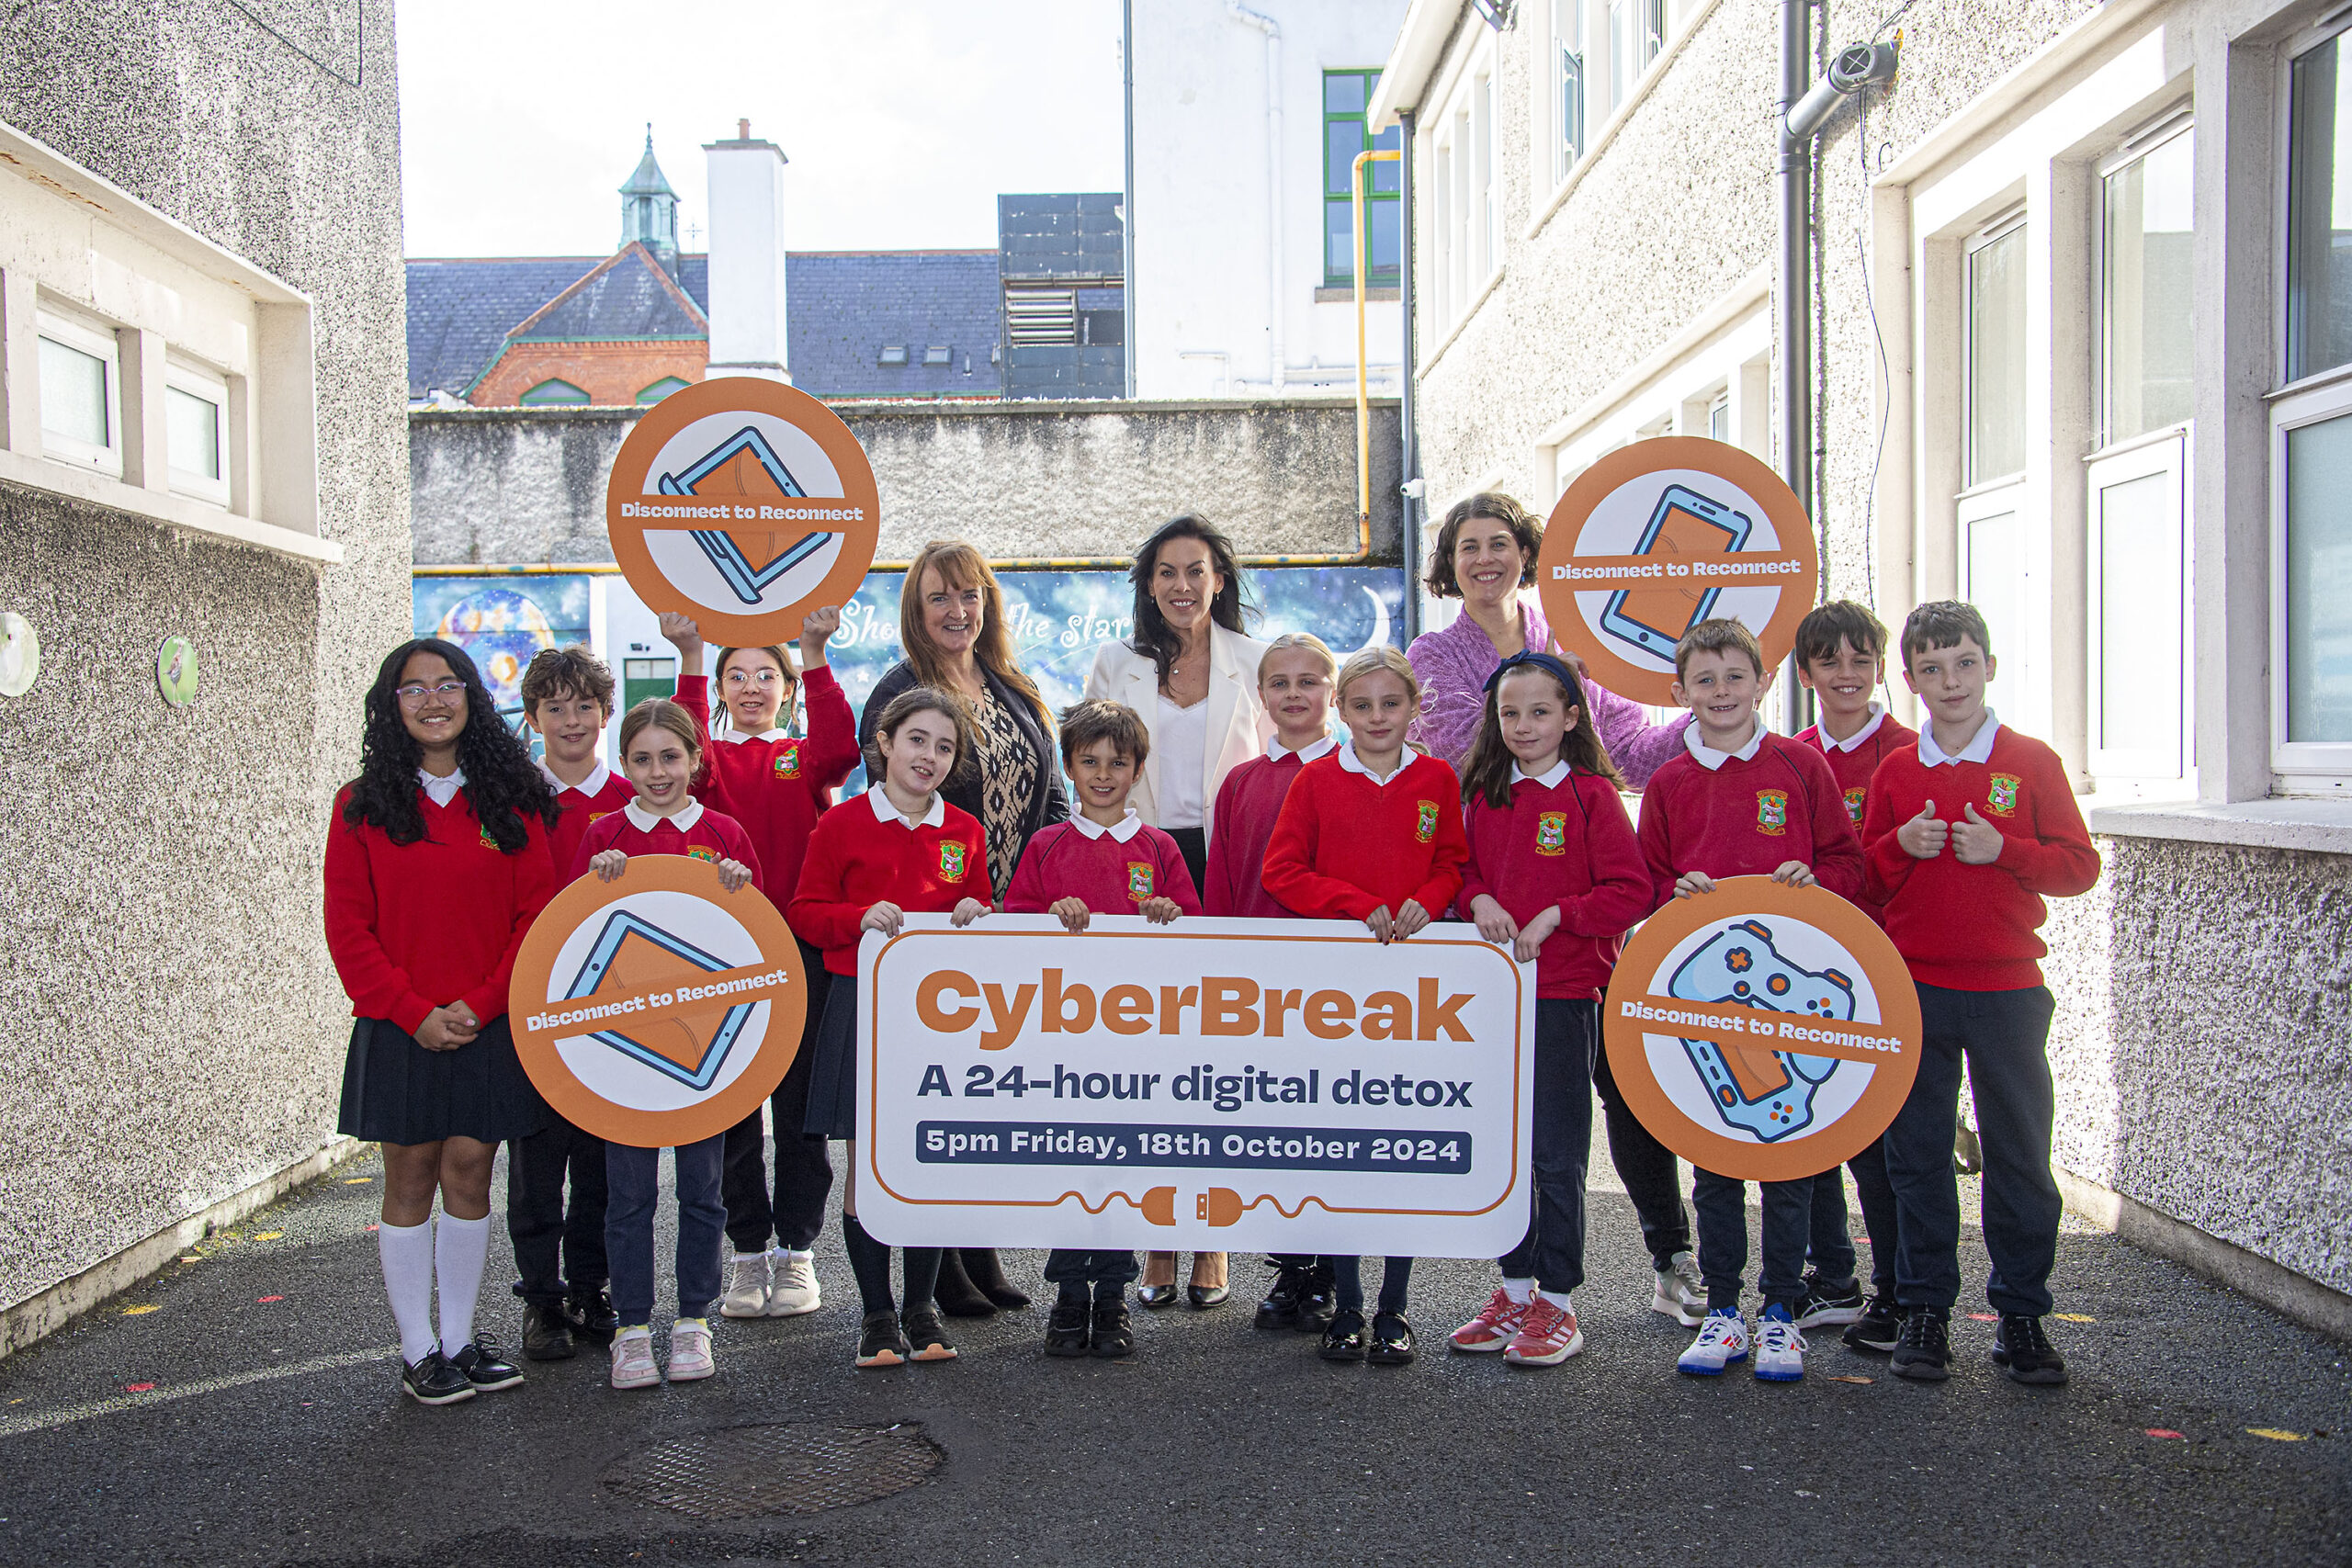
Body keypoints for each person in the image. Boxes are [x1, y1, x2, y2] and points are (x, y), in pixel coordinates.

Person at [1405, 491, 1706, 1328]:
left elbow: (1631, 753)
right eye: (1468, 547)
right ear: (1450, 563)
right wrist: (1486, 894)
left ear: (1524, 553)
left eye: (1500, 543)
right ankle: (1519, 1287)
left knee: (1619, 1100)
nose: (1485, 560)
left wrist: (1711, 706)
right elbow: (1474, 766)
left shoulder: (1572, 650)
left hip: (1579, 944)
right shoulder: (1436, 655)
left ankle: (1663, 1257)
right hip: (1498, 945)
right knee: (1516, 1129)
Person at [1860, 601, 2100, 1387]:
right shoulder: (1898, 771)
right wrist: (1903, 843)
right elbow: (1865, 875)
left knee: (2020, 1155)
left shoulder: (2030, 760)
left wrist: (2009, 850)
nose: (1949, 680)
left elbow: (2077, 866)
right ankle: (1926, 1308)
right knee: (1917, 1156)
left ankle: (2023, 1313)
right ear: (1911, 680)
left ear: (1989, 666)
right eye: (1931, 668)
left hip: (2007, 991)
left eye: (1963, 661)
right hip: (1915, 989)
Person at [324, 638, 557, 1406]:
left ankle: (459, 1338)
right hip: (402, 1026)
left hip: (487, 1021)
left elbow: (538, 918)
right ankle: (418, 1349)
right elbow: (349, 928)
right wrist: (413, 1012)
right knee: (410, 1174)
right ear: (392, 707)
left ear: (470, 697)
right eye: (413, 688)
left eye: (447, 684)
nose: (432, 699)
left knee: (468, 1170)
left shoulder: (513, 799)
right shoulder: (360, 805)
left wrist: (485, 1004)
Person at [1636, 618, 1863, 1383]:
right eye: (1705, 680)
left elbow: (1850, 867)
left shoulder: (1800, 767)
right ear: (1681, 692)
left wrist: (1815, 879)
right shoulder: (1667, 783)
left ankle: (1781, 1312)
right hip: (1707, 1010)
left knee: (1789, 1158)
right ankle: (1726, 1309)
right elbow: (1645, 884)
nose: (1722, 692)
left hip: (1789, 1000)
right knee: (1717, 1156)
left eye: (1736, 676)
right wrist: (1675, 893)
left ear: (1764, 682)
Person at [858, 541, 1063, 1318]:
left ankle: (978, 1250)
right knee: (937, 1092)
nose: (958, 611)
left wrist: (1047, 889)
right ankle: (938, 1264)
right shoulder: (898, 691)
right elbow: (890, 814)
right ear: (917, 609)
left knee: (991, 1091)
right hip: (935, 927)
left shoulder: (1014, 687)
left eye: (970, 595)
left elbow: (1050, 801)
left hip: (1010, 917)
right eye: (940, 597)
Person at [1262, 647, 1468, 1367]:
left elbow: (1453, 862)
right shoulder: (1316, 781)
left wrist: (1428, 902)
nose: (1377, 717)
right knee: (1344, 1150)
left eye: (1391, 703)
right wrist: (1358, 908)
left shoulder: (1439, 779)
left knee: (1399, 1151)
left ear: (1415, 708)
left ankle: (1395, 1308)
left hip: (1414, 991)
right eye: (1362, 705)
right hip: (1338, 988)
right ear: (1340, 711)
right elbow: (1281, 870)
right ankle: (1347, 1305)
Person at [1446, 652, 1650, 1368]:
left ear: (1570, 717)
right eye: (1510, 713)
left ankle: (1558, 1301)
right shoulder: (1482, 791)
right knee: (1504, 1153)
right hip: (1490, 1001)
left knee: (1556, 1157)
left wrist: (1560, 914)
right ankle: (1514, 1288)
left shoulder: (1593, 796)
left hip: (1563, 998)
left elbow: (1630, 891)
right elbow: (1460, 870)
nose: (1524, 726)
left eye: (1540, 712)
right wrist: (1480, 899)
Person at [1084, 515, 1268, 1309]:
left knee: (1218, 1057)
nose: (1182, 586)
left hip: (1231, 866)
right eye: (1166, 572)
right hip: (1143, 865)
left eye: (1196, 570)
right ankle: (1156, 1234)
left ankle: (1212, 1231)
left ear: (1219, 578)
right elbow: (1091, 773)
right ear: (1148, 585)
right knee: (1146, 1055)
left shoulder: (1258, 662)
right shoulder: (1115, 663)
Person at [662, 608, 857, 1325]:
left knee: (802, 1108)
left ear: (787, 689)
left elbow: (841, 750)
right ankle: (747, 1250)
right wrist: (688, 655)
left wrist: (815, 651)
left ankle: (797, 1251)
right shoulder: (704, 760)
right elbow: (680, 740)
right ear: (717, 689)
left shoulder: (801, 756)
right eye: (735, 675)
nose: (751, 688)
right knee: (734, 1104)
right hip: (721, 955)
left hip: (799, 949)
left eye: (766, 676)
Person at [792, 687, 993, 1369]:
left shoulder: (964, 830)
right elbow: (805, 913)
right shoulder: (841, 823)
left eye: (943, 746)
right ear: (884, 742)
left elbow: (985, 905)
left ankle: (923, 1307)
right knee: (869, 1166)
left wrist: (977, 909)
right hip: (862, 1006)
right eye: (917, 740)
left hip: (939, 1019)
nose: (928, 756)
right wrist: (856, 918)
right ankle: (877, 1314)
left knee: (928, 1159)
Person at [1002, 699, 1204, 1359]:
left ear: (1138, 768)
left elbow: (1195, 933)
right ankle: (1068, 1291)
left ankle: (1113, 1291)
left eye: (1118, 762)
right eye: (1089, 761)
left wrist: (1170, 914)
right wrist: (1043, 917)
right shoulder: (1045, 844)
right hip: (1063, 1041)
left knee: (1121, 1162)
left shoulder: (1160, 848)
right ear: (1069, 767)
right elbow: (1013, 930)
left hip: (1138, 1044)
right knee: (1071, 1159)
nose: (1104, 773)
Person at [571, 699, 763, 1390]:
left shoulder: (725, 834)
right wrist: (595, 885)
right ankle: (630, 1326)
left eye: (671, 757)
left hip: (702, 1051)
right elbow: (571, 947)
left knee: (703, 1190)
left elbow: (754, 949)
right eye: (643, 759)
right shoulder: (602, 837)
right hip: (625, 1050)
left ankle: (692, 1320)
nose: (658, 772)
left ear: (695, 761)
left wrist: (741, 889)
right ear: (625, 764)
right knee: (627, 1193)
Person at [1203, 632, 1342, 1334]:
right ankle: (1290, 1267)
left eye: (1309, 681)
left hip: (1337, 988)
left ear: (1333, 694)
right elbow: (1223, 887)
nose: (1294, 694)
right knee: (1271, 1135)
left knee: (1329, 1131)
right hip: (1259, 987)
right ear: (1262, 698)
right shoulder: (1241, 783)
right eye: (1280, 683)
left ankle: (1329, 1272)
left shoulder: (1355, 774)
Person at [1790, 601, 1917, 1354]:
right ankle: (1832, 1276)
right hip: (1807, 973)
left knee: (1879, 1137)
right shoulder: (1791, 755)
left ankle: (1895, 1289)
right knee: (1810, 1121)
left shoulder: (1909, 753)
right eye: (1830, 661)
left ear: (1879, 670)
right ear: (1805, 673)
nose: (1846, 675)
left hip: (1884, 968)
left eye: (1860, 661)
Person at [506, 646, 635, 1361]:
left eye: (585, 705)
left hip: (610, 1013)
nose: (572, 719)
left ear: (605, 714)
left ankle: (592, 1286)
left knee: (601, 1164)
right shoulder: (513, 803)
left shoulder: (632, 802)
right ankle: (541, 1299)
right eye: (555, 706)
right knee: (536, 1164)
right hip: (532, 1007)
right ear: (533, 718)